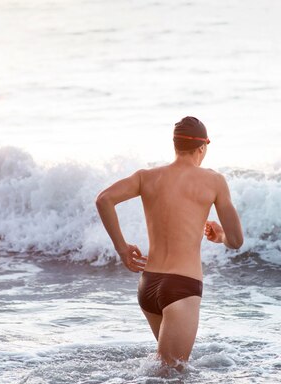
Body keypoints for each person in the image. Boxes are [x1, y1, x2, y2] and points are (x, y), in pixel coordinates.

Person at [95, 116, 243, 368]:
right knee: (171, 377)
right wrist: (220, 237)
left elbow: (104, 199)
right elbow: (237, 240)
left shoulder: (147, 176)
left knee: (165, 372)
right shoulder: (214, 181)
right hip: (181, 288)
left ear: (175, 146)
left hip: (148, 286)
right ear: (202, 148)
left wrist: (122, 248)